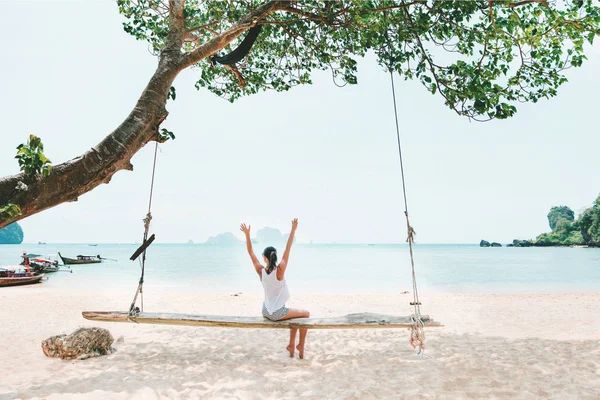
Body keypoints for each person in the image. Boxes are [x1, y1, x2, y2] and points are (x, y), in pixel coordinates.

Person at [240, 218, 310, 359]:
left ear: (265, 258)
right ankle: (300, 345)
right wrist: (293, 230)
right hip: (277, 313)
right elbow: (287, 248)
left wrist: (247, 235)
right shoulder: (280, 270)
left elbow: (250, 252)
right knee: (306, 314)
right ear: (274, 257)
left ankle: (291, 345)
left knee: (294, 314)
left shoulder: (261, 271)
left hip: (265, 311)